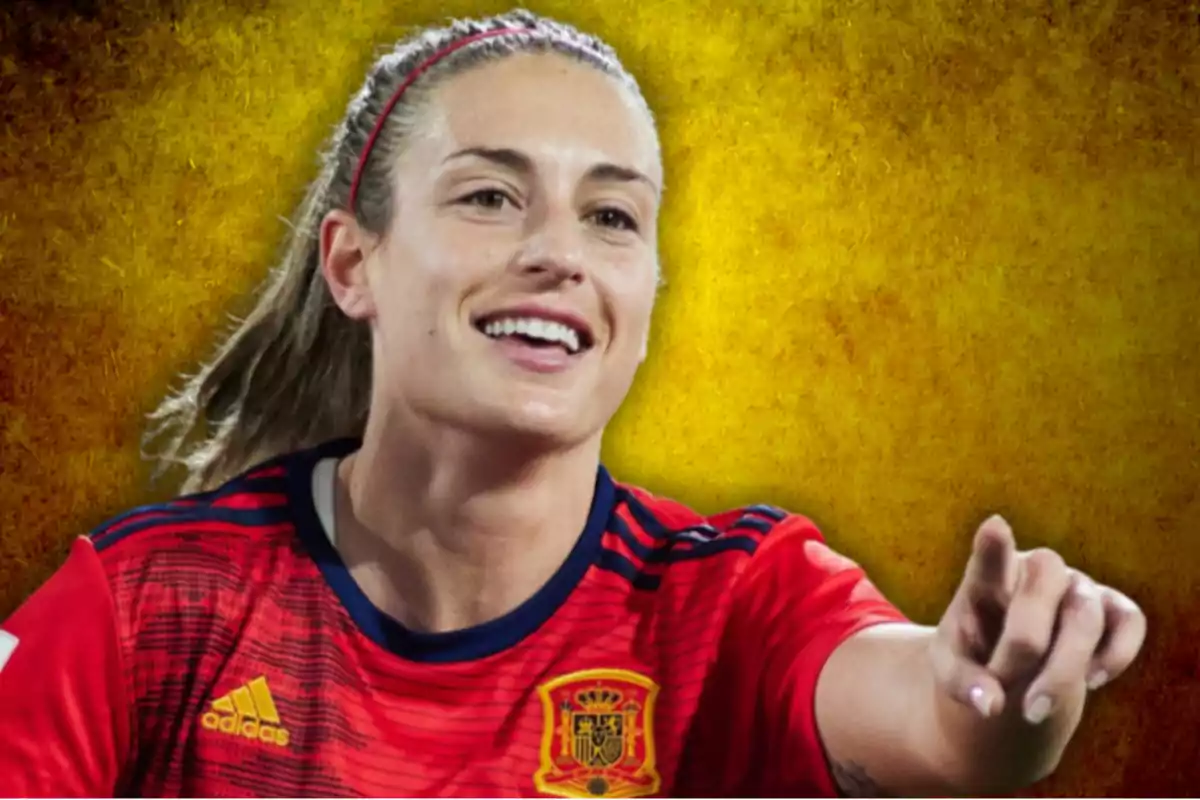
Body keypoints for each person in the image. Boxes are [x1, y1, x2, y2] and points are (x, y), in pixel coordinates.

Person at [0, 9, 1146, 798]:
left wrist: (994, 694)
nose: (562, 254)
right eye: (492, 195)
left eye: (611, 216)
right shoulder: (143, 604)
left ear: (645, 289)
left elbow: (942, 723)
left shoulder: (730, 599)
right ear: (354, 264)